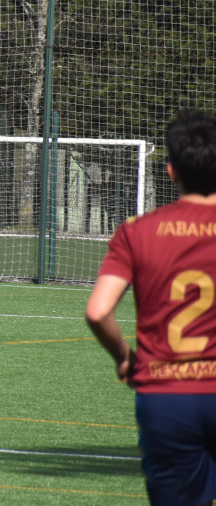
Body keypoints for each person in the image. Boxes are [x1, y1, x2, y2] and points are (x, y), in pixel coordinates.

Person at [87, 110, 216, 506]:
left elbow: (98, 311)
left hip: (166, 395)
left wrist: (125, 358)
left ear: (171, 171)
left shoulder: (136, 231)